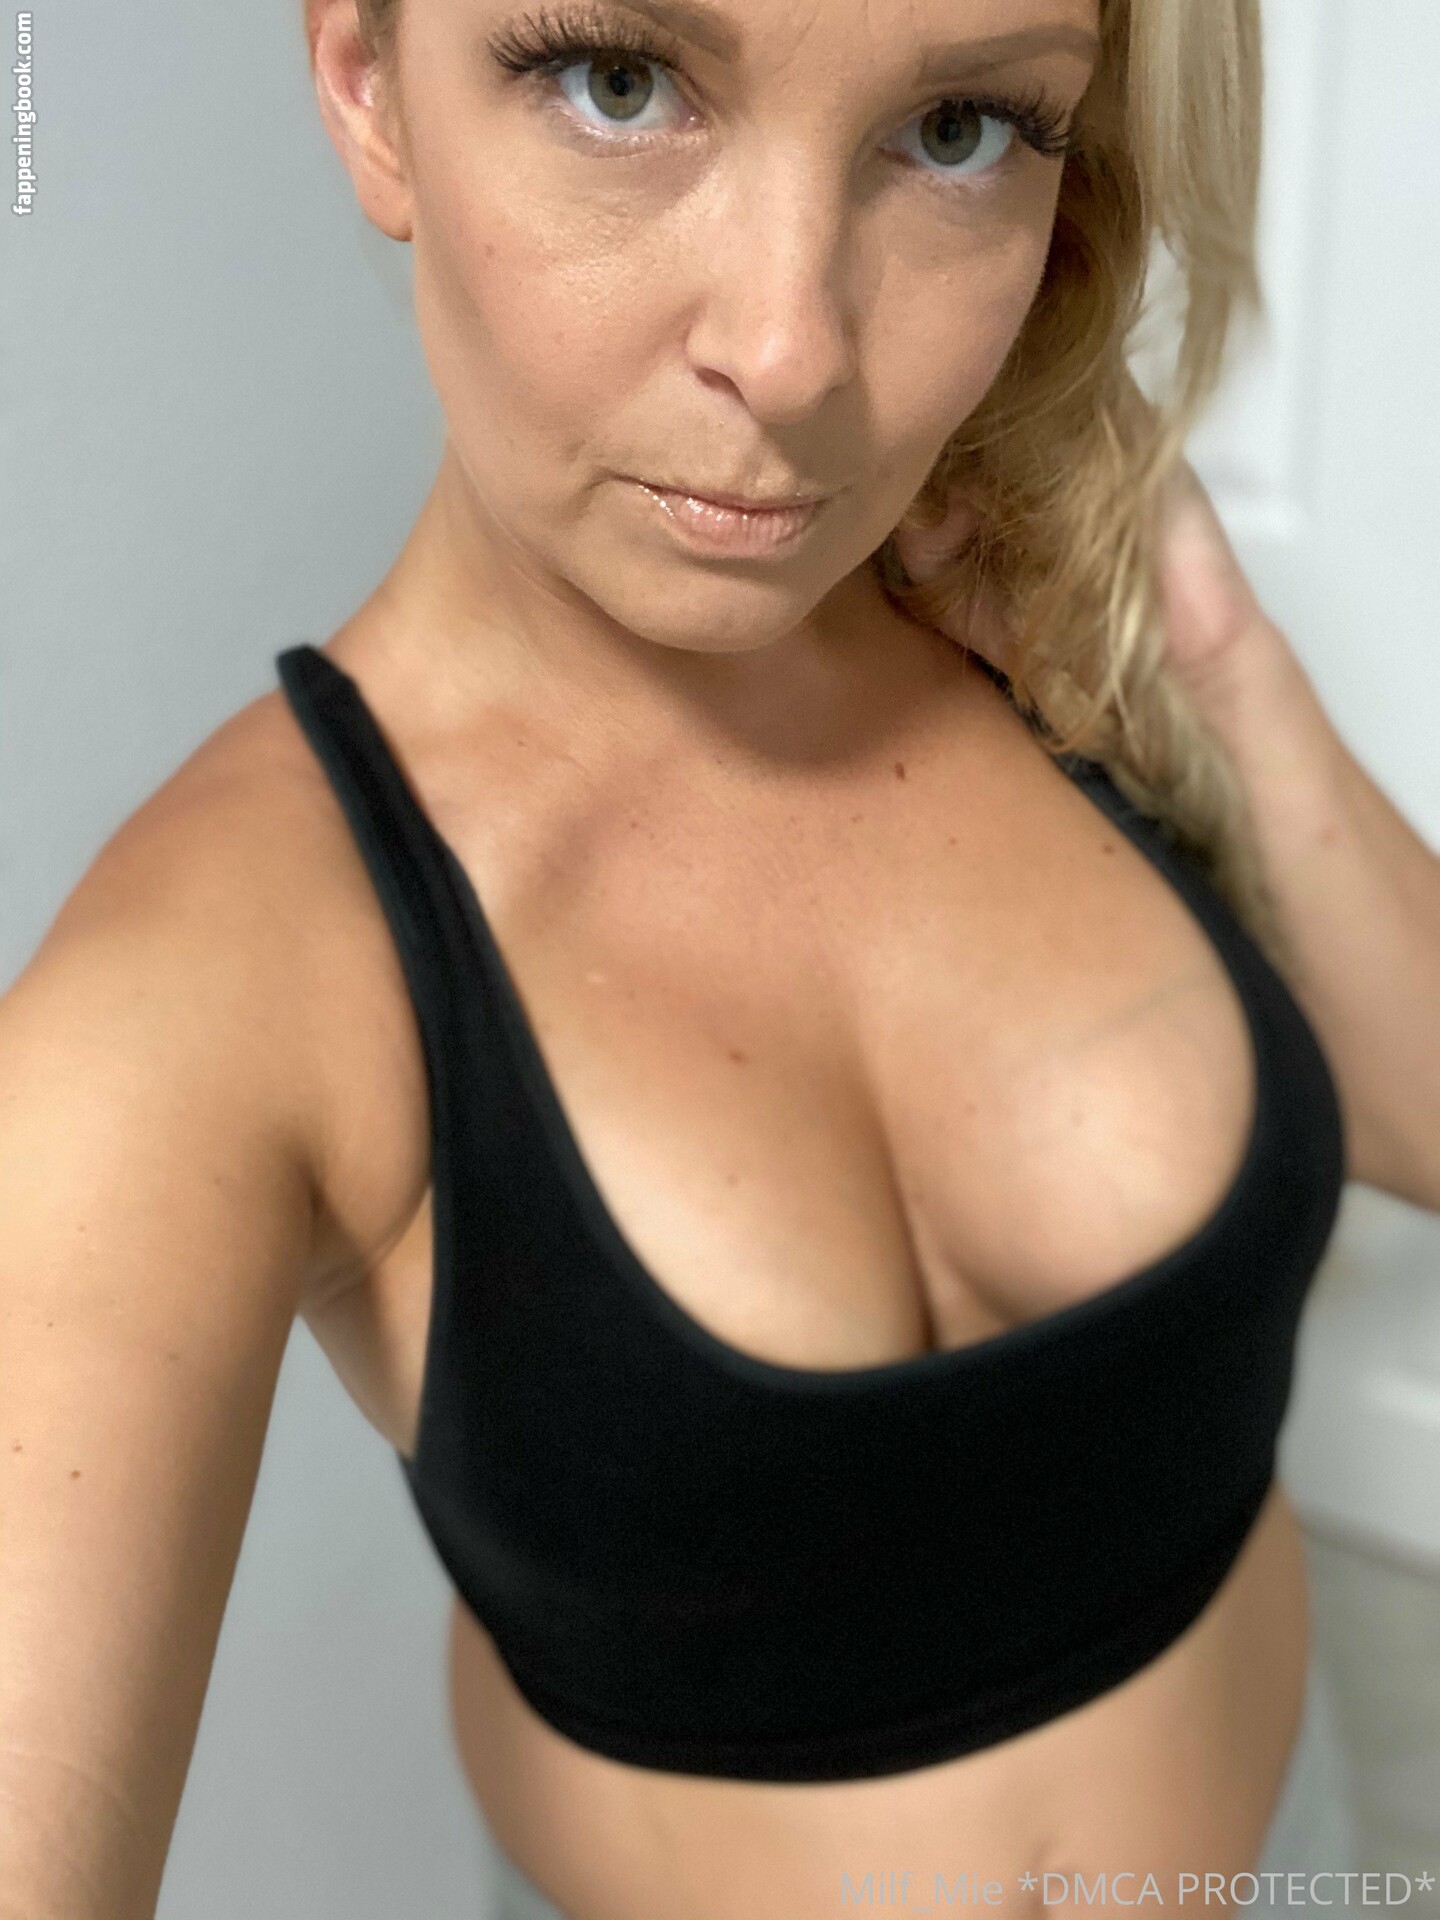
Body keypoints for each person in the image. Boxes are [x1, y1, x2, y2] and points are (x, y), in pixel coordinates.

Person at [1, 0, 1436, 1916]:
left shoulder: (1039, 635)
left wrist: (1219, 675)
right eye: (620, 84)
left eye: (960, 128)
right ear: (369, 87)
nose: (793, 353)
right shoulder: (217, 982)